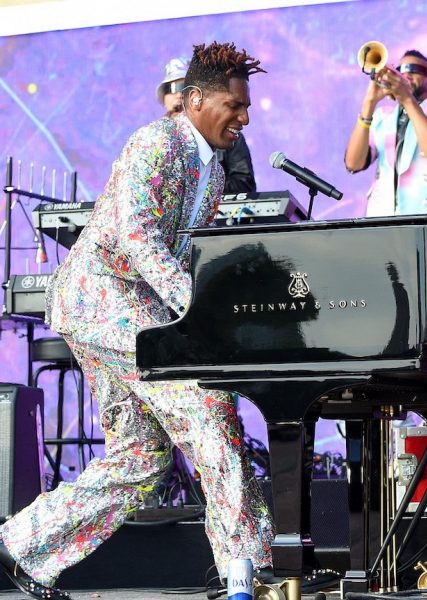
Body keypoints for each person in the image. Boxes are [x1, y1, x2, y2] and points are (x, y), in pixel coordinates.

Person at [0, 41, 274, 600]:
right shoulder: (156, 142)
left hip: (124, 307)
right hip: (104, 300)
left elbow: (178, 249)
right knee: (208, 406)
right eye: (234, 105)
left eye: (247, 108)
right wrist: (194, 311)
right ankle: (249, 574)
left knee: (141, 459)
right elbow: (136, 235)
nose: (244, 118)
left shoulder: (214, 171)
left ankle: (19, 545)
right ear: (194, 100)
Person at [344, 49, 427, 216]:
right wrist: (369, 103)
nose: (406, 74)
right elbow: (353, 163)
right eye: (401, 70)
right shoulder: (382, 117)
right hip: (385, 220)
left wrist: (407, 98)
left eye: (416, 70)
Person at [157, 56, 257, 194]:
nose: (179, 94)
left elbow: (245, 185)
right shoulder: (154, 141)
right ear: (163, 98)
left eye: (185, 87)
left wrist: (200, 186)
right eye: (172, 88)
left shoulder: (229, 135)